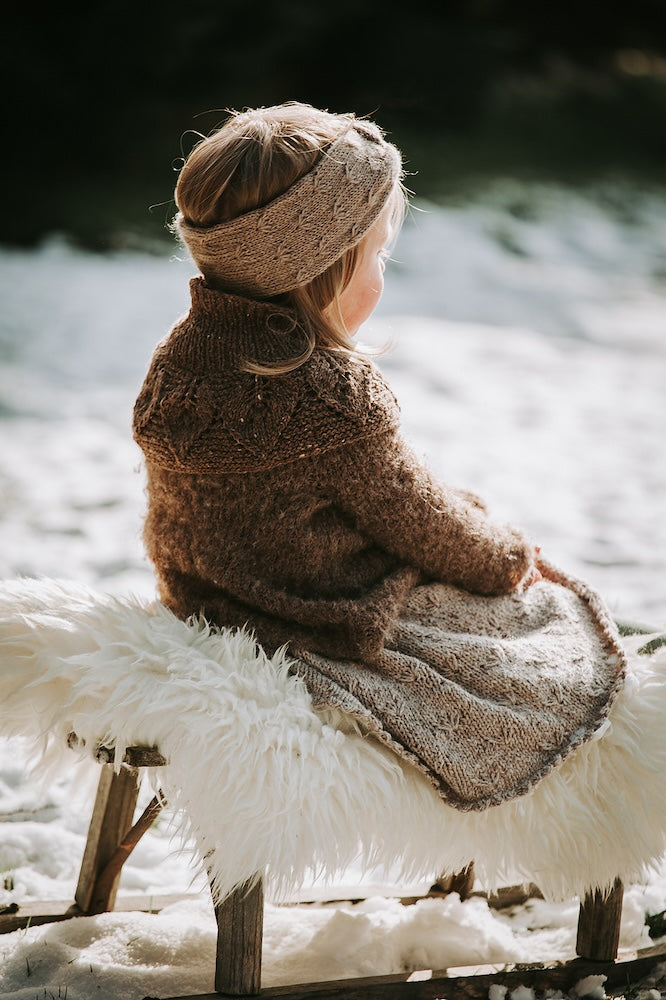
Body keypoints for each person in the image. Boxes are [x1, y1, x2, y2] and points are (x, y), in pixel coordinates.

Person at [133, 102, 626, 812]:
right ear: (323, 272)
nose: (384, 275)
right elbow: (427, 526)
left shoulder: (177, 362)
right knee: (547, 641)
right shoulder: (332, 397)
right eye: (377, 258)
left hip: (206, 597)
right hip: (314, 616)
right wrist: (510, 558)